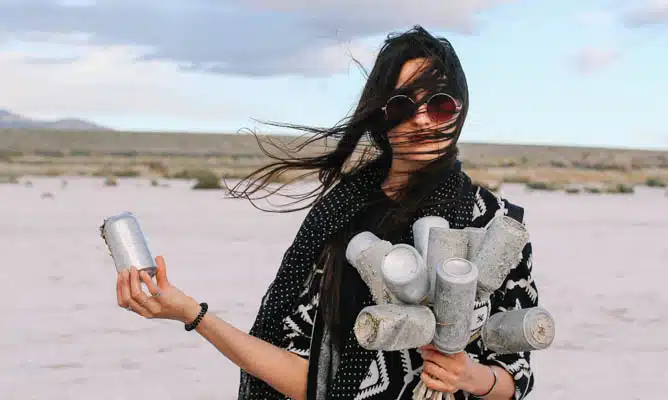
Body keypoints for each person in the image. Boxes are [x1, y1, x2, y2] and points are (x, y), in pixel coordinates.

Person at [116, 25, 539, 400]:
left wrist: (471, 376)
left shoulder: (496, 225)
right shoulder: (338, 218)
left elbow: (514, 377)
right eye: (403, 106)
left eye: (441, 105)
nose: (424, 121)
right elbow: (305, 376)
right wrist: (193, 314)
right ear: (381, 118)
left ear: (461, 110)